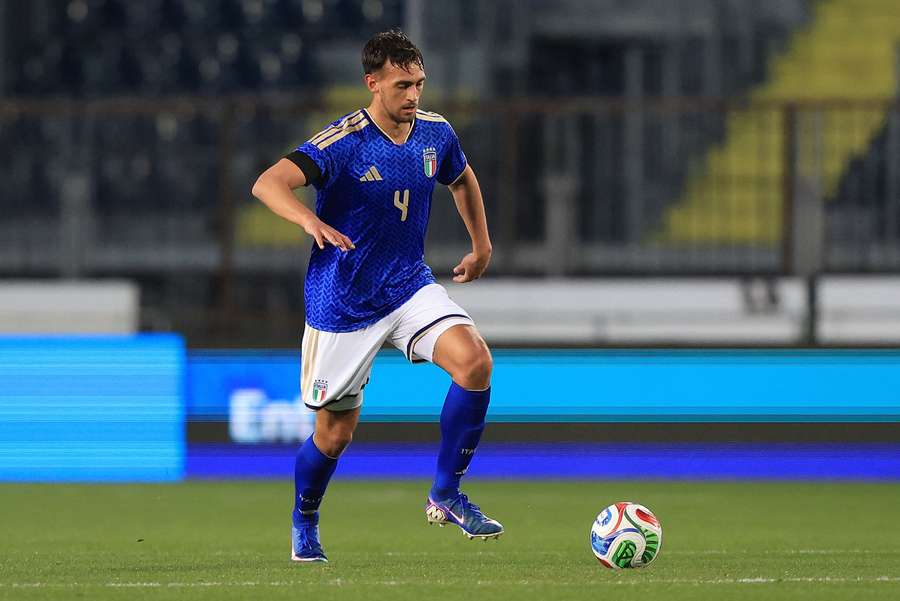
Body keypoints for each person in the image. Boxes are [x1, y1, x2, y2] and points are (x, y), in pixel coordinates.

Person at [251, 29, 502, 563]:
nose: (414, 95)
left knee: (475, 362)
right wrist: (308, 220)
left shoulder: (435, 133)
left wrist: (481, 246)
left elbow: (462, 180)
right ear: (373, 83)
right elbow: (268, 183)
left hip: (408, 286)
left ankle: (446, 493)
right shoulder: (343, 142)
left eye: (419, 84)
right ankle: (305, 519)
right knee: (334, 436)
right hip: (343, 301)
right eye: (402, 85)